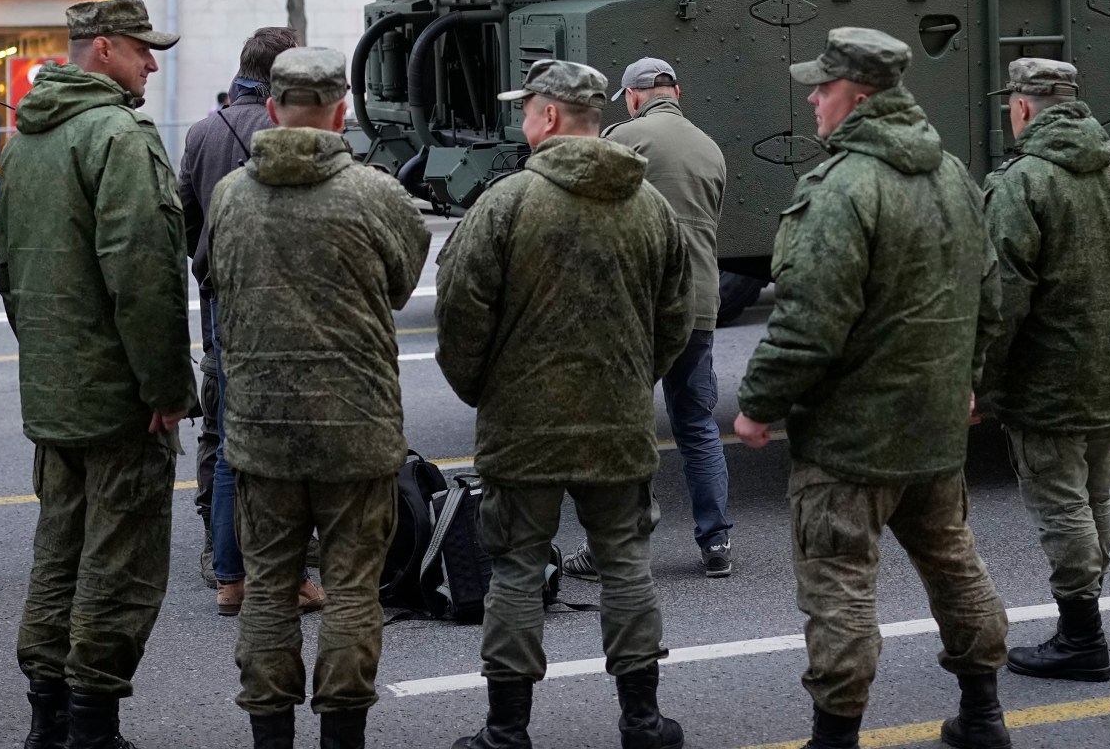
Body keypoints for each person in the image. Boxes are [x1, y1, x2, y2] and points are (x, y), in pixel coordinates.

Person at [733, 27, 1011, 749]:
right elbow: (991, 298)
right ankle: (983, 716)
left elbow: (808, 321)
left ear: (858, 97)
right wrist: (968, 384)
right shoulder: (954, 176)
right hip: (935, 428)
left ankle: (836, 738)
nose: (813, 102)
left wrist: (759, 405)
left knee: (839, 584)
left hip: (852, 438)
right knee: (953, 562)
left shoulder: (842, 188)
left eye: (821, 89)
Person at [435, 59, 692, 749]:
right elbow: (678, 315)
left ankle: (507, 730)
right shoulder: (650, 205)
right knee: (625, 561)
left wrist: (479, 388)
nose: (522, 122)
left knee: (517, 566)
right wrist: (636, 379)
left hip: (524, 425)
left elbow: (461, 314)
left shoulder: (508, 202)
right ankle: (642, 720)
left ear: (549, 117)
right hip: (618, 420)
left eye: (527, 111)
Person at [212, 47, 430, 749]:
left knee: (270, 587)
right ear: (342, 111)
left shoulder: (231, 196)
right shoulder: (376, 194)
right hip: (356, 428)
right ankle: (342, 735)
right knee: (352, 586)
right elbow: (400, 285)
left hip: (260, 429)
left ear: (272, 109)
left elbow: (214, 277)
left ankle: (270, 736)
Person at [0, 0, 197, 749]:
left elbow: (11, 274)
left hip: (57, 391)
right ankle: (92, 728)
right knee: (120, 565)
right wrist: (167, 390)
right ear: (105, 49)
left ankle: (47, 720)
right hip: (120, 401)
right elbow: (144, 277)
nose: (152, 63)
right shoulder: (117, 134)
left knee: (59, 553)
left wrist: (54, 364)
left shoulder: (27, 139)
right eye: (144, 50)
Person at [979, 59, 1110, 684]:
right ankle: (1082, 618)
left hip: (1046, 383)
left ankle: (1082, 638)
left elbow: (1003, 300)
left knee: (1060, 506)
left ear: (1025, 107)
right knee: (1095, 497)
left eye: (1012, 103)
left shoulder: (1021, 183)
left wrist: (981, 381)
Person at [562, 57, 732, 581]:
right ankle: (717, 542)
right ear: (675, 92)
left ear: (634, 96)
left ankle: (615, 545)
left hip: (638, 302)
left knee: (625, 426)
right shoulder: (711, 147)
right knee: (699, 424)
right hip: (700, 302)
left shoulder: (623, 137)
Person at [176, 25, 308, 615]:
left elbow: (185, 216)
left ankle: (227, 568)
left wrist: (207, 267)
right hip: (280, 300)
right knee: (286, 437)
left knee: (226, 430)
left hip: (218, 297)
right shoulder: (287, 130)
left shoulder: (204, 131)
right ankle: (286, 567)